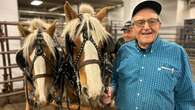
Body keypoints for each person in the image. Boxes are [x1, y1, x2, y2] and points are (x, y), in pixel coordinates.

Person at [101, 0, 195, 110]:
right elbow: (115, 81)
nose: (146, 27)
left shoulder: (177, 53)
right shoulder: (123, 51)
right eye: (140, 22)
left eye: (152, 21)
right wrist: (111, 92)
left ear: (159, 25)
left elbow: (186, 98)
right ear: (133, 27)